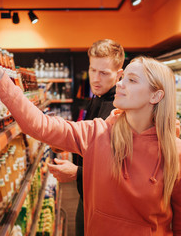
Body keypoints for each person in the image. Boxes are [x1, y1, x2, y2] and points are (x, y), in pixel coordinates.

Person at [0, 32, 181, 235]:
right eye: (123, 79)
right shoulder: (97, 133)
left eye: (131, 80)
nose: (120, 85)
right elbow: (39, 125)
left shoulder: (180, 156)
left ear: (156, 96)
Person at [48, 39, 124, 236]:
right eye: (92, 70)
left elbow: (122, 169)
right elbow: (96, 144)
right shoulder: (98, 96)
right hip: (88, 196)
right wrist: (70, 145)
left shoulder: (121, 110)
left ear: (119, 74)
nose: (96, 79)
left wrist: (78, 173)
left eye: (104, 73)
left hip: (107, 208)